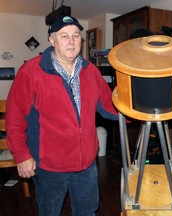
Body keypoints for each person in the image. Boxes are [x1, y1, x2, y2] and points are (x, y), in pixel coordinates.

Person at [5, 15, 118, 215]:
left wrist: (140, 113)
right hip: (50, 166)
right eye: (64, 36)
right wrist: (22, 156)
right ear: (51, 39)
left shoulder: (90, 71)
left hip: (87, 165)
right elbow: (14, 117)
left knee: (87, 212)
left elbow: (109, 106)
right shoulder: (31, 72)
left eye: (76, 35)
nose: (72, 41)